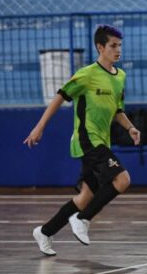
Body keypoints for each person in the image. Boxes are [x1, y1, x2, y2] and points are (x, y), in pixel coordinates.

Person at [24, 25, 139, 256]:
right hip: (87, 139)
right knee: (123, 179)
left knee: (86, 196)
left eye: (120, 46)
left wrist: (130, 127)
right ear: (100, 47)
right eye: (113, 46)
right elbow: (60, 96)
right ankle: (83, 219)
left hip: (102, 141)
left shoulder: (120, 76)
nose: (118, 50)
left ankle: (45, 232)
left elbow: (117, 110)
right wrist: (39, 127)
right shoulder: (86, 74)